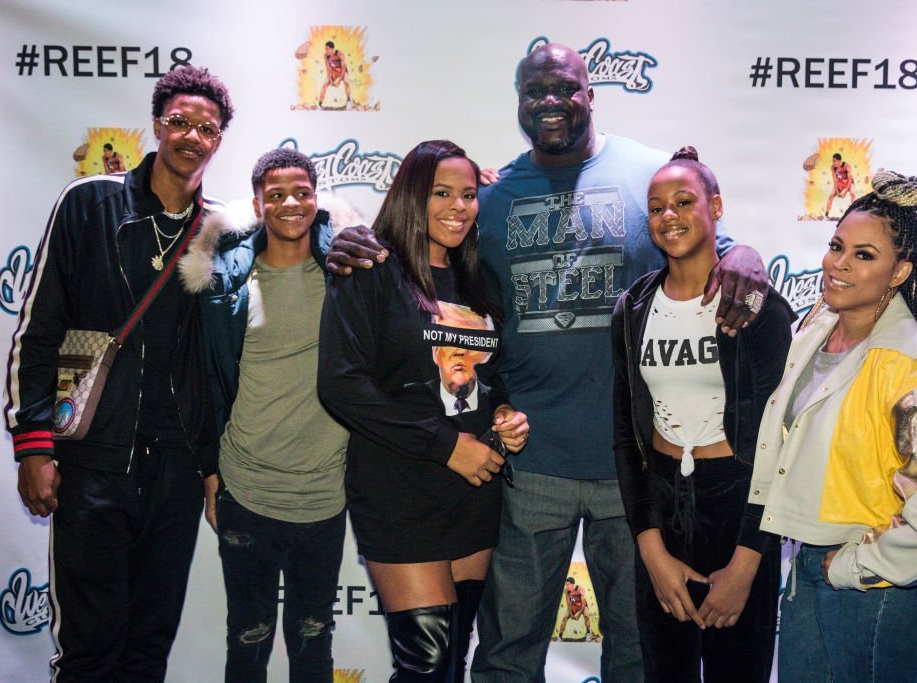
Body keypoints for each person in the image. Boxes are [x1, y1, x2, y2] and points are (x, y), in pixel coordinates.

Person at [325, 43, 769, 682]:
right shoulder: (493, 196)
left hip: (634, 467)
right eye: (534, 92)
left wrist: (746, 252)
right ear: (518, 103)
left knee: (638, 653)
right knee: (507, 655)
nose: (549, 103)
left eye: (564, 88)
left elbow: (711, 241)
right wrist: (338, 236)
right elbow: (422, 249)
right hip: (527, 466)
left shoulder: (647, 172)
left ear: (591, 92)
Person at [3, 65, 233, 680]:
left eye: (206, 128)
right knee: (88, 651)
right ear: (157, 125)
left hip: (176, 473)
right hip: (92, 461)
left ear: (219, 140)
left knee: (147, 649)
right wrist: (34, 446)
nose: (191, 136)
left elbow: (219, 363)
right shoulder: (89, 203)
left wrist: (210, 467)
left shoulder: (221, 234)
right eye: (179, 122)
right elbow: (39, 330)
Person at [750, 171, 917, 682]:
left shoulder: (910, 368)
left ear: (900, 272)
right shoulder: (815, 332)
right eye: (837, 245)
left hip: (877, 586)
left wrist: (856, 564)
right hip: (811, 565)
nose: (839, 264)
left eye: (864, 255)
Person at [317, 139, 529, 682]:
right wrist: (445, 445)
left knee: (453, 662)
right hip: (400, 490)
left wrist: (504, 410)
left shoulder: (479, 279)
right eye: (441, 193)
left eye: (468, 194)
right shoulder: (369, 268)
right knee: (426, 668)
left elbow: (489, 373)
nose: (459, 206)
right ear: (413, 194)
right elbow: (340, 385)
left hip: (473, 493)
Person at [178, 148, 360, 682]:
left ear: (316, 198)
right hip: (246, 491)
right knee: (247, 642)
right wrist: (211, 473)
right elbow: (209, 386)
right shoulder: (226, 287)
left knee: (312, 645)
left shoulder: (346, 275)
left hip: (324, 496)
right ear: (257, 205)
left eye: (301, 191)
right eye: (276, 194)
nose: (290, 203)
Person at [613, 148, 794, 681]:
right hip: (663, 507)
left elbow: (778, 443)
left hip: (737, 507)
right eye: (656, 207)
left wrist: (747, 563)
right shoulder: (634, 308)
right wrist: (650, 548)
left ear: (716, 206)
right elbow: (627, 436)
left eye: (684, 201)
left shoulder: (756, 307)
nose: (669, 215)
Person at [555, 577, 594, 642]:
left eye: (568, 584)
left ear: (572, 584)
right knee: (565, 618)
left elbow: (584, 602)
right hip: (573, 606)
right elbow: (568, 603)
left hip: (582, 606)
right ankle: (560, 636)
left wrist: (578, 615)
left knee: (586, 615)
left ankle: (588, 633)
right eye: (566, 584)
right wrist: (570, 613)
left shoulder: (580, 589)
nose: (566, 586)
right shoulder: (566, 591)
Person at [319, 40, 352, 109]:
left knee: (346, 82)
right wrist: (330, 80)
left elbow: (343, 68)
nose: (326, 50)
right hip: (334, 71)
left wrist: (339, 81)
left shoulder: (339, 54)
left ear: (332, 49)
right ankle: (319, 104)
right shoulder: (325, 56)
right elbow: (328, 68)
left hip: (342, 71)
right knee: (324, 84)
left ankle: (349, 100)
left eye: (327, 49)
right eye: (325, 49)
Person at [825, 153, 855, 219]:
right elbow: (835, 180)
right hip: (840, 183)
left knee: (852, 193)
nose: (833, 163)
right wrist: (837, 191)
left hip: (848, 182)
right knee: (831, 195)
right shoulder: (832, 167)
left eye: (834, 161)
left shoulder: (846, 166)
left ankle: (854, 212)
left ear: (839, 161)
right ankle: (826, 214)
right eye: (832, 161)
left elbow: (850, 180)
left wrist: (844, 192)